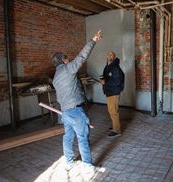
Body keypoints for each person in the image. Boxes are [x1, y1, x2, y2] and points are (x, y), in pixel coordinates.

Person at [52, 30, 102, 173]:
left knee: (68, 136)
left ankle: (68, 162)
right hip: (75, 110)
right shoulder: (68, 69)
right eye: (67, 58)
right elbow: (82, 56)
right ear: (63, 60)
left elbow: (59, 97)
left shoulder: (55, 77)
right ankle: (87, 165)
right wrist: (93, 40)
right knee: (82, 137)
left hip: (65, 112)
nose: (69, 59)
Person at [100, 51, 125, 138]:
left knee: (114, 111)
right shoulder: (108, 66)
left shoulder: (115, 67)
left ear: (114, 57)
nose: (109, 56)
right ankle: (115, 126)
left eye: (111, 55)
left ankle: (117, 130)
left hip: (114, 92)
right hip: (109, 91)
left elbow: (117, 81)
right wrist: (103, 80)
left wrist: (105, 82)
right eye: (108, 54)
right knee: (111, 111)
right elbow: (108, 77)